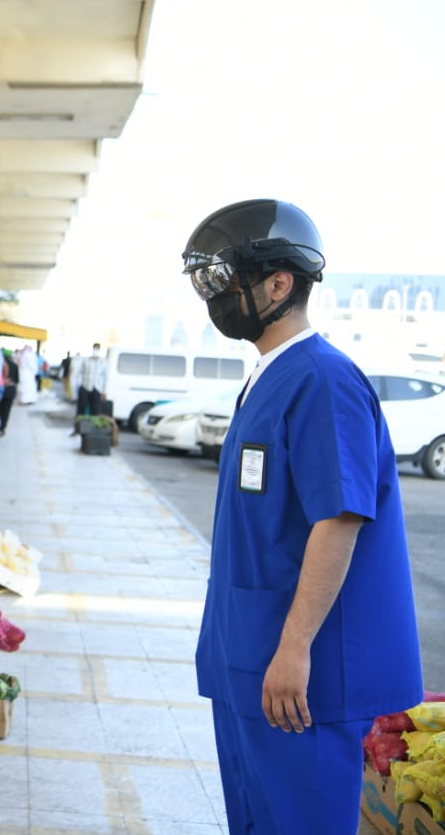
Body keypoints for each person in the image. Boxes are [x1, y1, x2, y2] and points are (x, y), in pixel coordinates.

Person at [182, 199, 422, 833]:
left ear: (278, 284)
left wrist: (293, 649)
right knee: (255, 820)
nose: (215, 299)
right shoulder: (268, 378)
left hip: (300, 674)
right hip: (249, 655)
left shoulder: (323, 379)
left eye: (224, 281)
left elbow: (339, 519)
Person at [76, 343, 107, 417]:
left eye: (97, 349)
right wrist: (80, 384)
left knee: (95, 409)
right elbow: (80, 373)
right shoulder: (86, 360)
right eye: (95, 349)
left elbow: (105, 377)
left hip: (97, 388)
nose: (96, 350)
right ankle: (79, 422)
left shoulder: (103, 362)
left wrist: (103, 391)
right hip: (85, 386)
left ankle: (93, 423)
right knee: (81, 407)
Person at [0, 349, 19, 436]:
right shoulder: (15, 365)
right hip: (10, 391)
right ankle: (2, 428)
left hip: (0, 389)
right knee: (6, 411)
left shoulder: (0, 364)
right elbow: (17, 380)